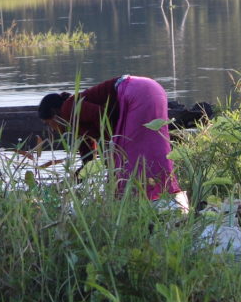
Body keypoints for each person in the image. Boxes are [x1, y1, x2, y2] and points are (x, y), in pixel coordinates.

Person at [38, 75, 188, 210]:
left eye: (48, 123)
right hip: (151, 89)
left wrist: (111, 148)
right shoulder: (76, 121)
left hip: (136, 92)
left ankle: (134, 206)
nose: (52, 129)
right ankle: (164, 199)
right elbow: (88, 162)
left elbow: (101, 115)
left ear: (54, 114)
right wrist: (68, 183)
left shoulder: (68, 108)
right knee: (153, 148)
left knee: (127, 160)